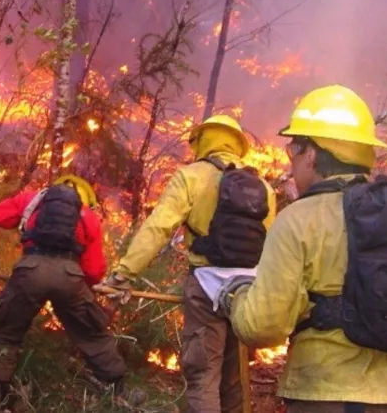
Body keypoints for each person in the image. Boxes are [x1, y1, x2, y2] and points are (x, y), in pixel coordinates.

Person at [220, 85, 387, 413]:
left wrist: (235, 297)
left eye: (294, 151)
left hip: (321, 397)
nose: (291, 163)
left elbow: (263, 327)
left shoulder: (298, 220)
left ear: (313, 155)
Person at [102, 114, 277, 413]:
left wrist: (123, 274)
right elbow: (274, 243)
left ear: (202, 140)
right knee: (235, 378)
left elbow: (159, 228)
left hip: (206, 288)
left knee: (203, 376)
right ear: (237, 145)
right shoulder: (263, 187)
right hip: (249, 290)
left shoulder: (191, 176)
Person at [0, 175, 128, 413]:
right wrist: (81, 285)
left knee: (4, 331)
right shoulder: (88, 217)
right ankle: (119, 393)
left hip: (29, 271)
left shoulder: (31, 201)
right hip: (69, 276)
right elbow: (94, 270)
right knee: (92, 334)